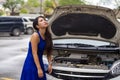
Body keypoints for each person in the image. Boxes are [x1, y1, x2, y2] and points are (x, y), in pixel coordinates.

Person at [20, 16, 53, 80]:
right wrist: (39, 68)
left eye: (44, 20)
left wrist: (50, 64)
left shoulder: (48, 36)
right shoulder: (35, 36)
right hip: (31, 63)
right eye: (41, 20)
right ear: (37, 26)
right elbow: (34, 53)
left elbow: (49, 52)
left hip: (39, 62)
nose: (44, 21)